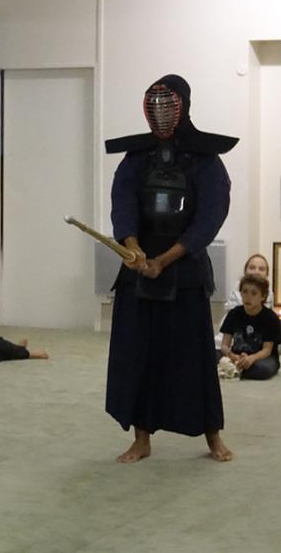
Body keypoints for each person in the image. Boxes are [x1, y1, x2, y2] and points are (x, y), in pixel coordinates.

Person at [105, 74, 237, 464]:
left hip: (185, 269)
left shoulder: (205, 160)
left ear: (183, 106)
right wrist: (132, 248)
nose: (161, 113)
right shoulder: (137, 158)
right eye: (155, 105)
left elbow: (211, 216)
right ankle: (141, 438)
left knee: (193, 356)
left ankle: (213, 435)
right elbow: (123, 203)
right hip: (139, 267)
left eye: (168, 105)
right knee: (138, 355)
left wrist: (165, 260)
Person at [218, 274, 280, 380]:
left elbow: (267, 350)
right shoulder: (234, 314)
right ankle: (237, 368)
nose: (248, 297)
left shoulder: (270, 318)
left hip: (261, 358)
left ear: (263, 296)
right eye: (244, 292)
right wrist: (231, 355)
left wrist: (251, 358)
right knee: (210, 356)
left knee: (263, 369)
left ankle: (235, 369)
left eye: (254, 293)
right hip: (236, 354)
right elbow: (224, 345)